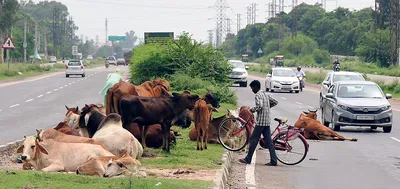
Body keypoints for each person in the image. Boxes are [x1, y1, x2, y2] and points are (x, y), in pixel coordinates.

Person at [239, 80, 278, 166]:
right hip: (267, 121)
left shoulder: (257, 95)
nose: (252, 90)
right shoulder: (265, 94)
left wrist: (252, 110)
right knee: (269, 141)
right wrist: (267, 107)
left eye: (252, 88)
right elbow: (275, 102)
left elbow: (259, 106)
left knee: (253, 139)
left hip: (261, 122)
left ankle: (248, 159)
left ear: (256, 87)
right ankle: (274, 160)